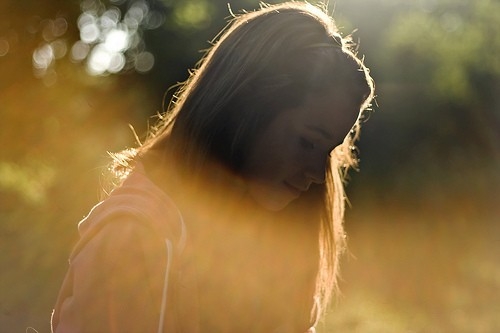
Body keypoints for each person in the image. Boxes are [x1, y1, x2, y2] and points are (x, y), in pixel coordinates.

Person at [51, 2, 375, 332]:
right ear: (248, 108)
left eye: (328, 152)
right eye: (307, 142)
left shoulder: (258, 247)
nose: (317, 173)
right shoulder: (135, 238)